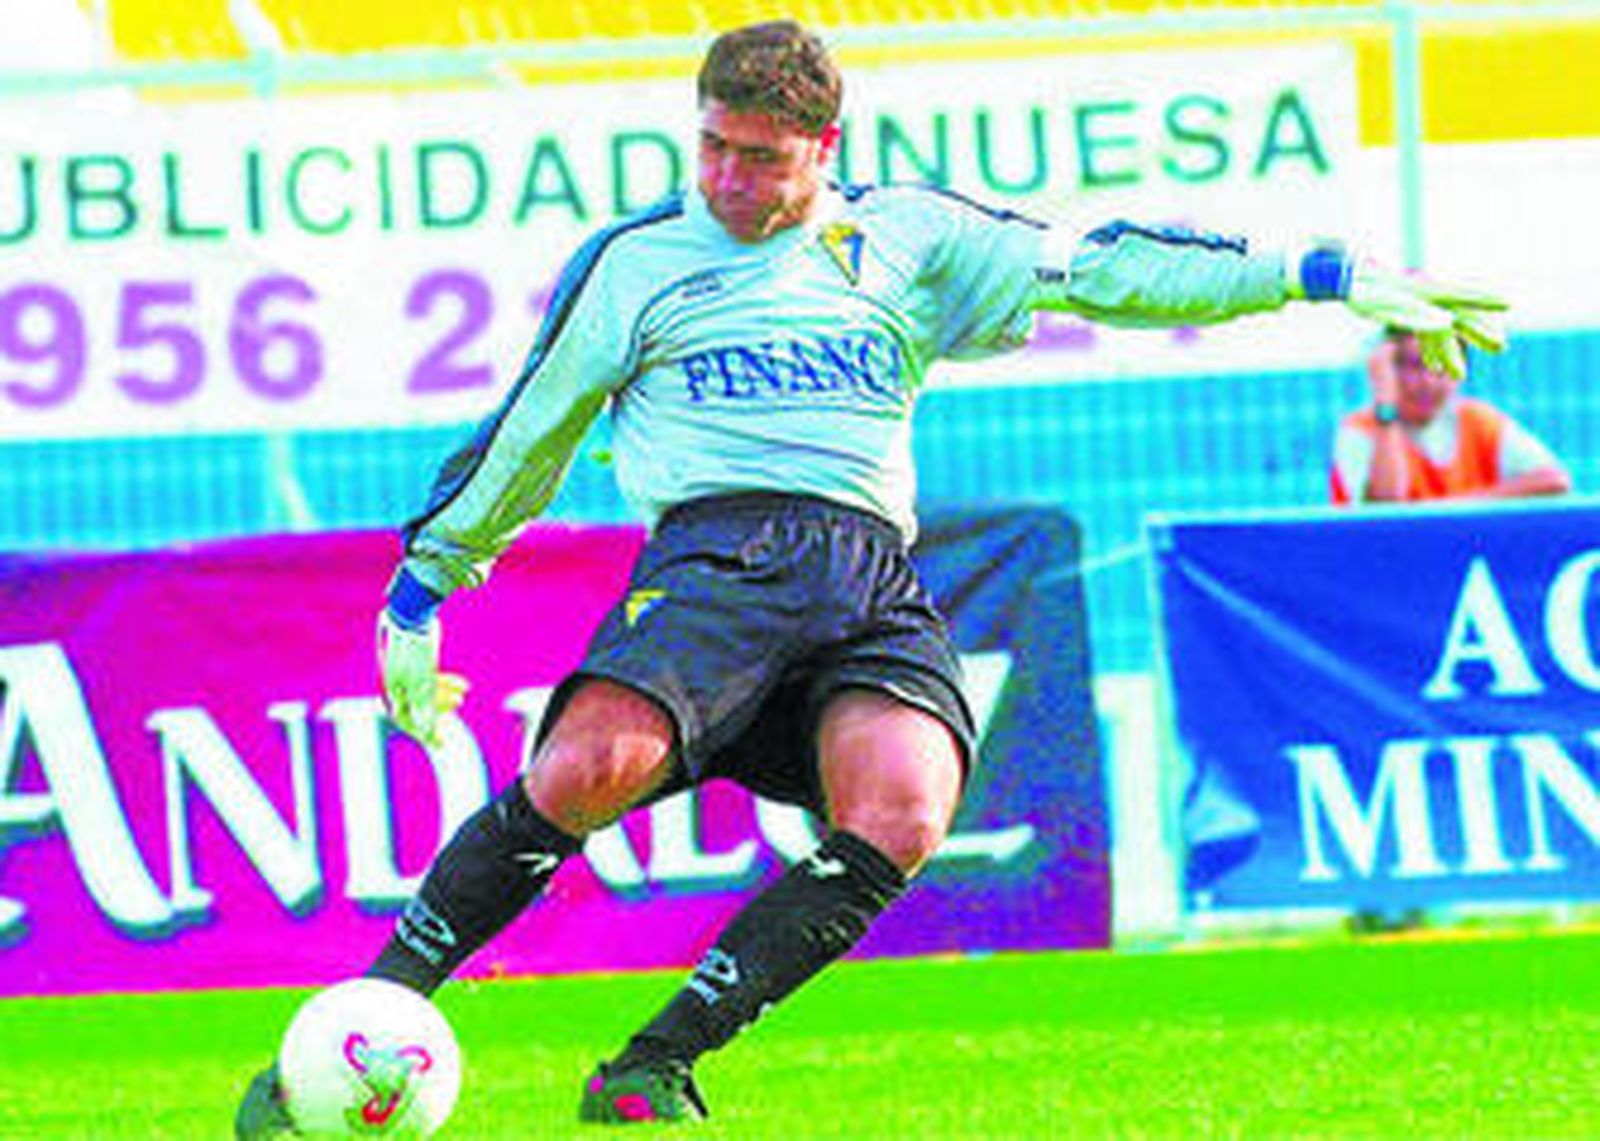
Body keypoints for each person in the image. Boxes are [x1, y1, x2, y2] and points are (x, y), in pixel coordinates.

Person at [236, 20, 1507, 1133]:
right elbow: (532, 430)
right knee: (582, 772)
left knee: (902, 810)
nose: (728, 180)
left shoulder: (913, 239)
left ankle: (654, 1065)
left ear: (825, 142)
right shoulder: (637, 266)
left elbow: (1108, 260)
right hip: (718, 552)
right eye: (712, 149)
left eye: (761, 158)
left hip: (865, 570)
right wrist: (424, 586)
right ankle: (359, 1020)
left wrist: (1320, 274)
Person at [1331, 326, 1569, 504]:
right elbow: (1387, 510)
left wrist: (1450, 511)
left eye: (1441, 366)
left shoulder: (1477, 421)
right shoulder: (1359, 430)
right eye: (1413, 366)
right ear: (1386, 368)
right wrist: (1385, 407)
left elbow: (1554, 480)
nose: (1427, 382)